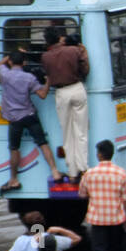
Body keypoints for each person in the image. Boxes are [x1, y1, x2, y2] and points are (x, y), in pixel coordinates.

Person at [0, 51, 61, 191]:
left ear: (10, 62)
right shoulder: (29, 77)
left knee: (14, 148)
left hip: (14, 118)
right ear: (24, 63)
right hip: (29, 114)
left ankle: (13, 180)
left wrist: (12, 55)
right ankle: (55, 172)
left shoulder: (4, 74)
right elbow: (43, 95)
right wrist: (48, 81)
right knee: (43, 143)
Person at [79, 139, 126, 251]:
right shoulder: (121, 173)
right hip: (116, 220)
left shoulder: (89, 174)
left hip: (97, 220)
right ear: (112, 153)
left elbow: (82, 194)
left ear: (99, 155)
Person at [41, 26, 90, 180]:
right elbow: (85, 69)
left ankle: (73, 171)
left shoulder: (45, 57)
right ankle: (84, 168)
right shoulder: (73, 51)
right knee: (81, 131)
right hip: (77, 88)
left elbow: (47, 74)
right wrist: (83, 50)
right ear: (60, 38)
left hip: (61, 93)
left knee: (67, 133)